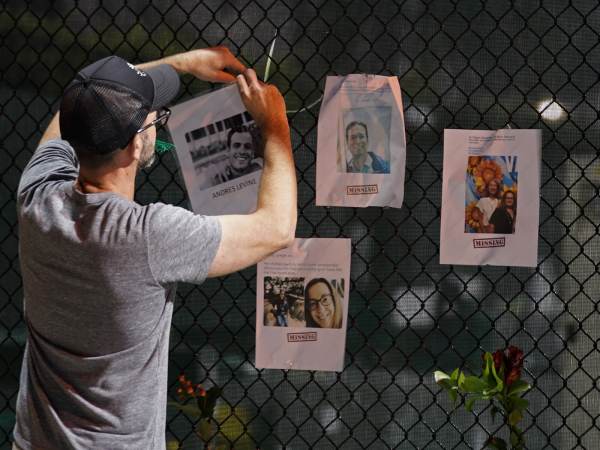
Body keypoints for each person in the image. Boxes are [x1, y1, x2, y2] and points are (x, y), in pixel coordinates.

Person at [13, 47, 296, 450]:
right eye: (155, 117)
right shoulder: (148, 235)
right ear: (133, 145)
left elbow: (74, 106)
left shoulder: (37, 196)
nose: (158, 122)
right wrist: (275, 125)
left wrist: (181, 64)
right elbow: (277, 229)